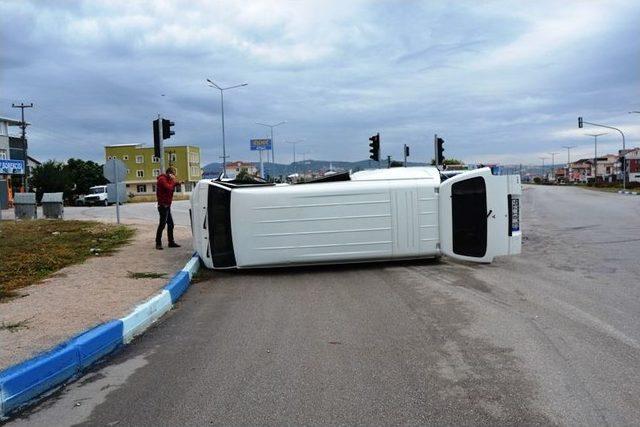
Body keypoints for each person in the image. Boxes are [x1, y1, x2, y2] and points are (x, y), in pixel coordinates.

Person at [155, 166, 181, 250]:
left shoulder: (168, 179)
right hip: (163, 205)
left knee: (171, 224)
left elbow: (171, 184)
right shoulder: (162, 179)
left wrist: (178, 182)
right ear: (169, 174)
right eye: (173, 174)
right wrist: (174, 182)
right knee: (162, 225)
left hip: (167, 205)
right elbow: (168, 187)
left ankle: (171, 242)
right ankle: (158, 243)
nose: (174, 176)